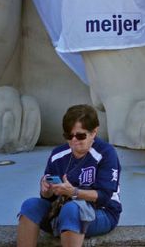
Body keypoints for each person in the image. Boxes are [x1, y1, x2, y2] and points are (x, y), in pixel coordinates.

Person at [16, 104, 121, 247]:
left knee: (72, 209)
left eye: (80, 135)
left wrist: (74, 192)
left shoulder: (106, 153)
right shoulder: (58, 155)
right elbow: (49, 198)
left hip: (102, 213)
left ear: (94, 132)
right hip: (61, 210)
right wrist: (46, 190)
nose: (74, 140)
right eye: (69, 136)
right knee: (29, 206)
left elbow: (104, 196)